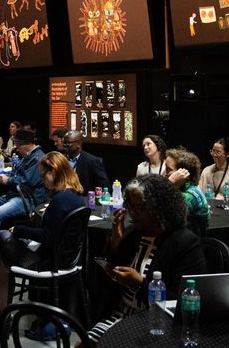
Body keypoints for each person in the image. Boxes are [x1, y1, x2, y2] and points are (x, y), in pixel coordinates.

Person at [87, 174, 206, 342]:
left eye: (141, 208)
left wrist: (139, 284)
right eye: (131, 206)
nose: (133, 213)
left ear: (161, 208)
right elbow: (101, 281)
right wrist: (115, 245)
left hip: (155, 322)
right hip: (120, 314)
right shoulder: (133, 233)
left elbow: (183, 302)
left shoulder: (184, 243)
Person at [0, 151, 85, 332]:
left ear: (54, 172)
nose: (42, 180)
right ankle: (1, 305)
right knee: (4, 249)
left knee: (3, 240)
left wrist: (20, 230)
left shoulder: (60, 201)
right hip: (66, 259)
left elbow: (47, 236)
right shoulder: (75, 196)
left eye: (43, 175)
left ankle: (2, 316)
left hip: (49, 262)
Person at [0, 128, 45, 241]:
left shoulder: (38, 158)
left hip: (28, 199)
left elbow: (27, 182)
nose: (16, 148)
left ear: (26, 144)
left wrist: (8, 180)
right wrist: (7, 177)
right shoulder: (28, 156)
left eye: (18, 145)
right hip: (16, 194)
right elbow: (17, 173)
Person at [164, 147, 211, 236]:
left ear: (185, 174)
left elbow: (160, 214)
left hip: (192, 242)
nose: (164, 173)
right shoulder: (178, 187)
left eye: (168, 169)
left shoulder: (191, 195)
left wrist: (170, 183)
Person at [199, 138, 229, 205]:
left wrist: (214, 199)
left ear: (228, 154)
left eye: (218, 152)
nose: (214, 155)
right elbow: (200, 193)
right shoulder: (206, 170)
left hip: (226, 208)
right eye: (213, 151)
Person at [63, 129, 108, 195]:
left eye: (68, 143)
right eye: (64, 143)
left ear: (78, 144)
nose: (65, 146)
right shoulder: (61, 159)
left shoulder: (92, 161)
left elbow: (103, 186)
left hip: (84, 198)